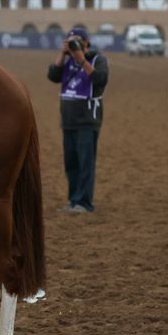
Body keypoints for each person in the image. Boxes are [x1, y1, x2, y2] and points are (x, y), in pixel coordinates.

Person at [47, 27, 109, 213]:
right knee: (71, 163)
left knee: (85, 163)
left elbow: (100, 79)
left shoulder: (98, 59)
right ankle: (73, 200)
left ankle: (84, 202)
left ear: (86, 43)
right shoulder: (66, 61)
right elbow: (52, 76)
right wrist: (62, 53)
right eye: (70, 42)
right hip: (68, 120)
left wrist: (82, 59)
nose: (73, 46)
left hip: (87, 121)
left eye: (77, 42)